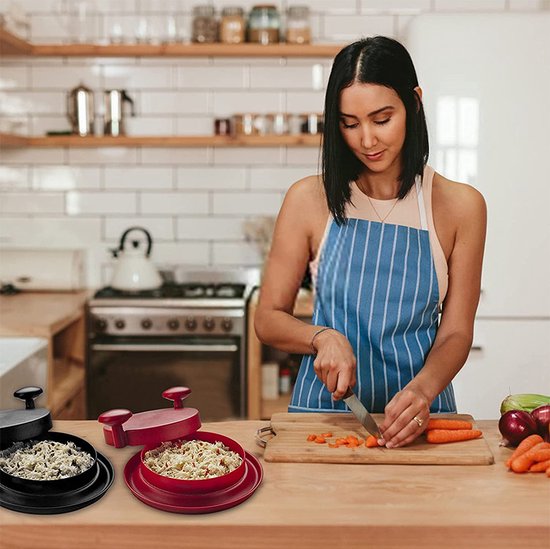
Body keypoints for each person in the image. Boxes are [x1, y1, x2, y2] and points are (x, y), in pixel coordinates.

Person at [254, 36, 487, 449]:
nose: (366, 140)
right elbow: (268, 317)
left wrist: (423, 392)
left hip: (423, 420)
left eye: (382, 119)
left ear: (413, 103)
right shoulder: (308, 199)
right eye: (349, 123)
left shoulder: (460, 207)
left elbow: (455, 333)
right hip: (322, 419)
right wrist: (321, 336)